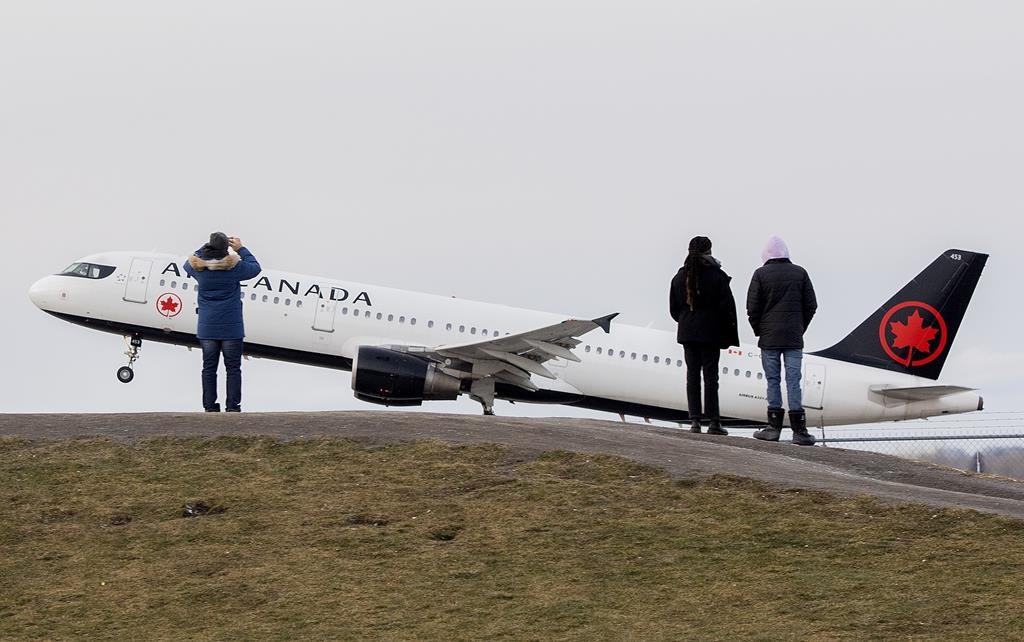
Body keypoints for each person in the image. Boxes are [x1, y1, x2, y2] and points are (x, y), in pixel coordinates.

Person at [746, 235, 817, 445]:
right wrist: (800, 328)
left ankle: (773, 428)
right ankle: (799, 430)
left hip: (769, 338)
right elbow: (811, 305)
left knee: (773, 381)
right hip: (794, 337)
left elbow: (752, 308)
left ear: (766, 256)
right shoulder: (800, 273)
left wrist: (760, 330)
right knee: (794, 380)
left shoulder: (760, 274)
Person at [183, 232, 262, 412]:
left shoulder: (197, 269)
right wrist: (241, 248)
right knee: (233, 369)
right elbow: (256, 268)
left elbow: (188, 262)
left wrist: (208, 247)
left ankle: (210, 407)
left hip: (207, 328)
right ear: (226, 247)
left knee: (209, 368)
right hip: (231, 328)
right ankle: (233, 407)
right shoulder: (234, 268)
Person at [670, 236, 740, 435]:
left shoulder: (679, 277)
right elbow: (727, 307)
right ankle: (714, 422)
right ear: (709, 251)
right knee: (711, 377)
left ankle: (694, 421)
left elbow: (674, 309)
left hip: (687, 332)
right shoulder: (717, 276)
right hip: (710, 333)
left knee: (692, 375)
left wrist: (686, 320)